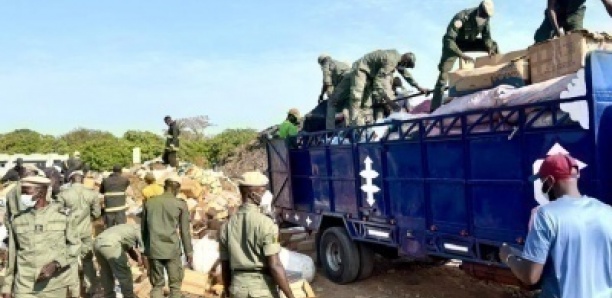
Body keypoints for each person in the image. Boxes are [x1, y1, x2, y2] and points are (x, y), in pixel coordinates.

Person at [499, 153, 612, 298]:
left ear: (550, 181)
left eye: (542, 181)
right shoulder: (607, 211)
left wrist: (508, 256)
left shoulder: (546, 215)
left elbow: (530, 276)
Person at [1, 176, 80, 298]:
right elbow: (12, 256)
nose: (22, 196)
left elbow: (74, 246)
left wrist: (57, 264)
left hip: (55, 284)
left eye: (27, 192)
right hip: (24, 286)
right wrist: (7, 286)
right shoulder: (18, 220)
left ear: (41, 192)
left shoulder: (62, 216)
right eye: (22, 192)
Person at [219, 171, 295, 298]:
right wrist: (290, 295)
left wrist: (228, 291)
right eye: (263, 191)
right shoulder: (266, 224)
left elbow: (225, 266)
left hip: (237, 289)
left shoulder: (226, 226)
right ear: (253, 195)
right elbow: (274, 265)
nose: (267, 195)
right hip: (262, 289)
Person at [431, 0, 498, 112]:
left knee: (494, 45)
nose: (484, 18)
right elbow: (449, 39)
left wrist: (489, 48)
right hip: (454, 45)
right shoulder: (462, 17)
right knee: (443, 76)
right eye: (483, 15)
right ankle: (434, 109)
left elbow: (486, 36)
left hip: (469, 42)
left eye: (486, 16)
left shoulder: (486, 19)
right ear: (479, 10)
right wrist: (461, 55)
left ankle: (500, 76)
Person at [142, 176, 193, 298]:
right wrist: (189, 252)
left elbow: (144, 229)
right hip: (172, 250)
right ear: (177, 189)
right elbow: (184, 231)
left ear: (164, 186)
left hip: (154, 249)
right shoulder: (180, 204)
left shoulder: (150, 202)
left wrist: (146, 250)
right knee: (175, 288)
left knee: (157, 286)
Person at [348, 49, 428, 126]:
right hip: (362, 69)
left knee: (367, 103)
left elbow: (406, 75)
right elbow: (378, 82)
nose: (405, 68)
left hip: (370, 75)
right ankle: (355, 126)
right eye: (406, 65)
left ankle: (363, 127)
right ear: (405, 61)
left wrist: (419, 87)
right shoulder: (391, 61)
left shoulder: (397, 60)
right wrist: (387, 99)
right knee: (356, 97)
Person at [58, 170, 102, 297]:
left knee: (71, 260)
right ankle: (90, 288)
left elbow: (58, 212)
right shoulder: (91, 194)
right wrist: (89, 219)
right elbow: (97, 213)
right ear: (82, 180)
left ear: (71, 180)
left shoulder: (64, 194)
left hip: (69, 232)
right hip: (86, 230)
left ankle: (74, 291)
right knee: (87, 258)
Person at [94, 224, 144, 298]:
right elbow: (144, 251)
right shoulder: (139, 231)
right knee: (124, 274)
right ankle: (129, 296)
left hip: (97, 243)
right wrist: (146, 264)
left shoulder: (128, 228)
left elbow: (129, 249)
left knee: (106, 272)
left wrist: (137, 259)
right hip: (111, 244)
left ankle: (109, 295)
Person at [318, 54, 351, 130]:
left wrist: (322, 95)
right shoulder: (339, 63)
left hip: (346, 81)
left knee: (331, 102)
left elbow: (326, 82)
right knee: (346, 104)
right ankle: (348, 126)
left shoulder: (326, 63)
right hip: (355, 82)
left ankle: (330, 132)